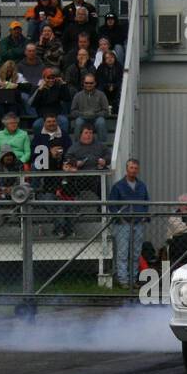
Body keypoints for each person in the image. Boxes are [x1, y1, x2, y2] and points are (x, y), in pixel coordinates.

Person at [107, 158, 149, 288]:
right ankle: (123, 280)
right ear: (127, 169)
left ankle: (133, 280)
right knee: (123, 253)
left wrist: (143, 216)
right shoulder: (118, 186)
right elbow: (111, 205)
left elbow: (147, 202)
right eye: (131, 168)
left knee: (136, 253)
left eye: (136, 168)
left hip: (138, 223)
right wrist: (119, 217)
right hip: (123, 224)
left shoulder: (142, 186)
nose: (133, 170)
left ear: (138, 170)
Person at [69, 73, 110, 140]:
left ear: (95, 83)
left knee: (101, 122)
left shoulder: (101, 95)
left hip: (96, 118)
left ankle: (103, 145)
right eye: (86, 83)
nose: (89, 85)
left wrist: (95, 114)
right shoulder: (78, 95)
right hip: (82, 118)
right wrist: (82, 114)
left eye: (91, 83)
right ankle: (76, 145)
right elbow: (73, 111)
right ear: (83, 83)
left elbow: (106, 111)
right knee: (78, 122)